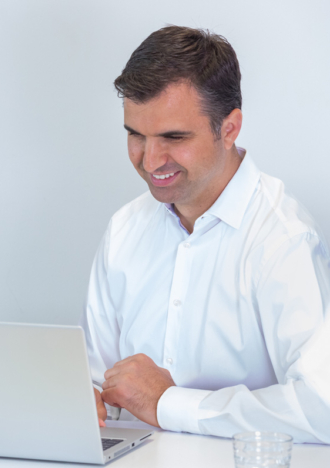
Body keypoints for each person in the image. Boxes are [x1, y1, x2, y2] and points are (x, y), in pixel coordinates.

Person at [81, 26, 330, 443]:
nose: (150, 160)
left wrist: (169, 403)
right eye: (135, 135)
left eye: (173, 137)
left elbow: (321, 407)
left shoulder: (282, 237)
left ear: (229, 129)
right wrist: (81, 398)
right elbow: (94, 378)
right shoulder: (124, 228)